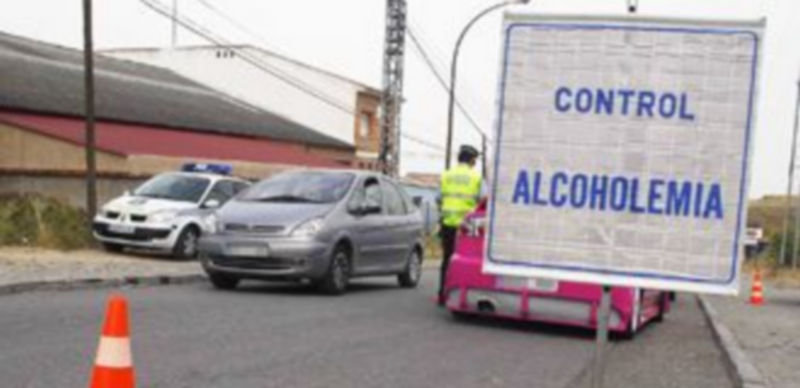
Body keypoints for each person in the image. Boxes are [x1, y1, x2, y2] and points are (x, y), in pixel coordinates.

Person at [437, 144, 482, 305]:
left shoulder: (446, 175)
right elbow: (482, 201)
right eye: (475, 160)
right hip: (467, 227)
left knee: (447, 259)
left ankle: (442, 294)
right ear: (471, 160)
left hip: (448, 223)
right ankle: (463, 294)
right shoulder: (476, 177)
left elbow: (439, 198)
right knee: (467, 260)